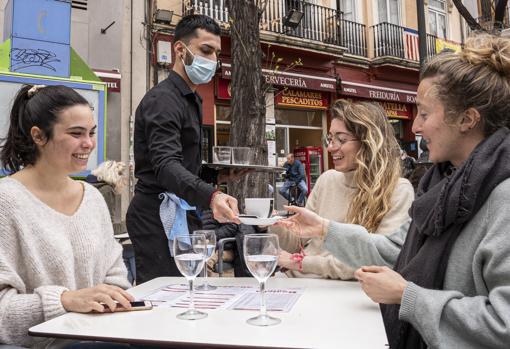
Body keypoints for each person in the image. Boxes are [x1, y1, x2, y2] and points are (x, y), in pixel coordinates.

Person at [278, 34, 510, 349]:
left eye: (425, 114)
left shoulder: (502, 199)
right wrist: (324, 229)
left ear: (468, 119)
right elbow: (393, 251)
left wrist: (407, 296)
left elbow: (503, 323)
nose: (415, 127)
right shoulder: (442, 186)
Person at [0, 85, 132, 348]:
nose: (89, 143)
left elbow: (118, 281)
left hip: (103, 340)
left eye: (91, 133)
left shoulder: (93, 198)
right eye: (76, 133)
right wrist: (64, 300)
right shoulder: (6, 202)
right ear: (38, 136)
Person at [126, 14, 245, 284]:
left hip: (183, 211)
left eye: (216, 53)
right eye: (206, 50)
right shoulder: (163, 100)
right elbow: (166, 166)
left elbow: (182, 165)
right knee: (165, 298)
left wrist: (219, 177)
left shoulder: (191, 99)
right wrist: (212, 196)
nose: (212, 60)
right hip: (156, 216)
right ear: (180, 49)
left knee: (188, 291)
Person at [274, 99, 414, 279]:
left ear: (369, 142)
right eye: (330, 138)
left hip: (341, 293)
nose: (331, 147)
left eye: (341, 139)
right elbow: (297, 241)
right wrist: (271, 225)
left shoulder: (398, 191)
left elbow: (379, 260)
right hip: (296, 283)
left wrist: (300, 263)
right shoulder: (327, 180)